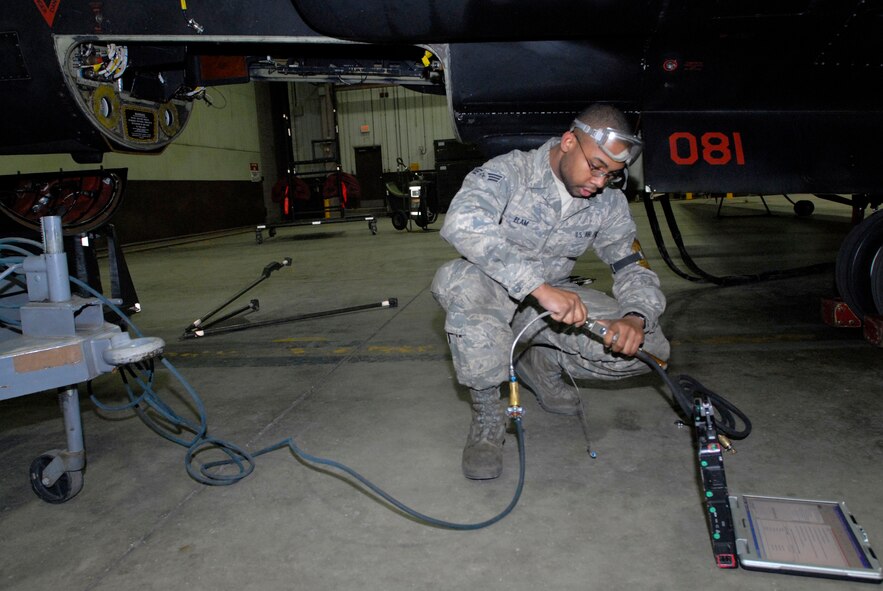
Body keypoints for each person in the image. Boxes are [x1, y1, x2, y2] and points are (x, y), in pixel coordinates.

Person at [431, 104, 670, 480]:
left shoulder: (607, 202)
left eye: (612, 174)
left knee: (650, 351)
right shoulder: (512, 170)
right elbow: (462, 222)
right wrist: (537, 288)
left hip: (551, 301)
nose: (600, 182)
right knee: (460, 283)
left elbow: (629, 264)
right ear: (569, 142)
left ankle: (538, 364)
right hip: (494, 288)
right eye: (595, 166)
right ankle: (489, 417)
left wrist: (635, 316)